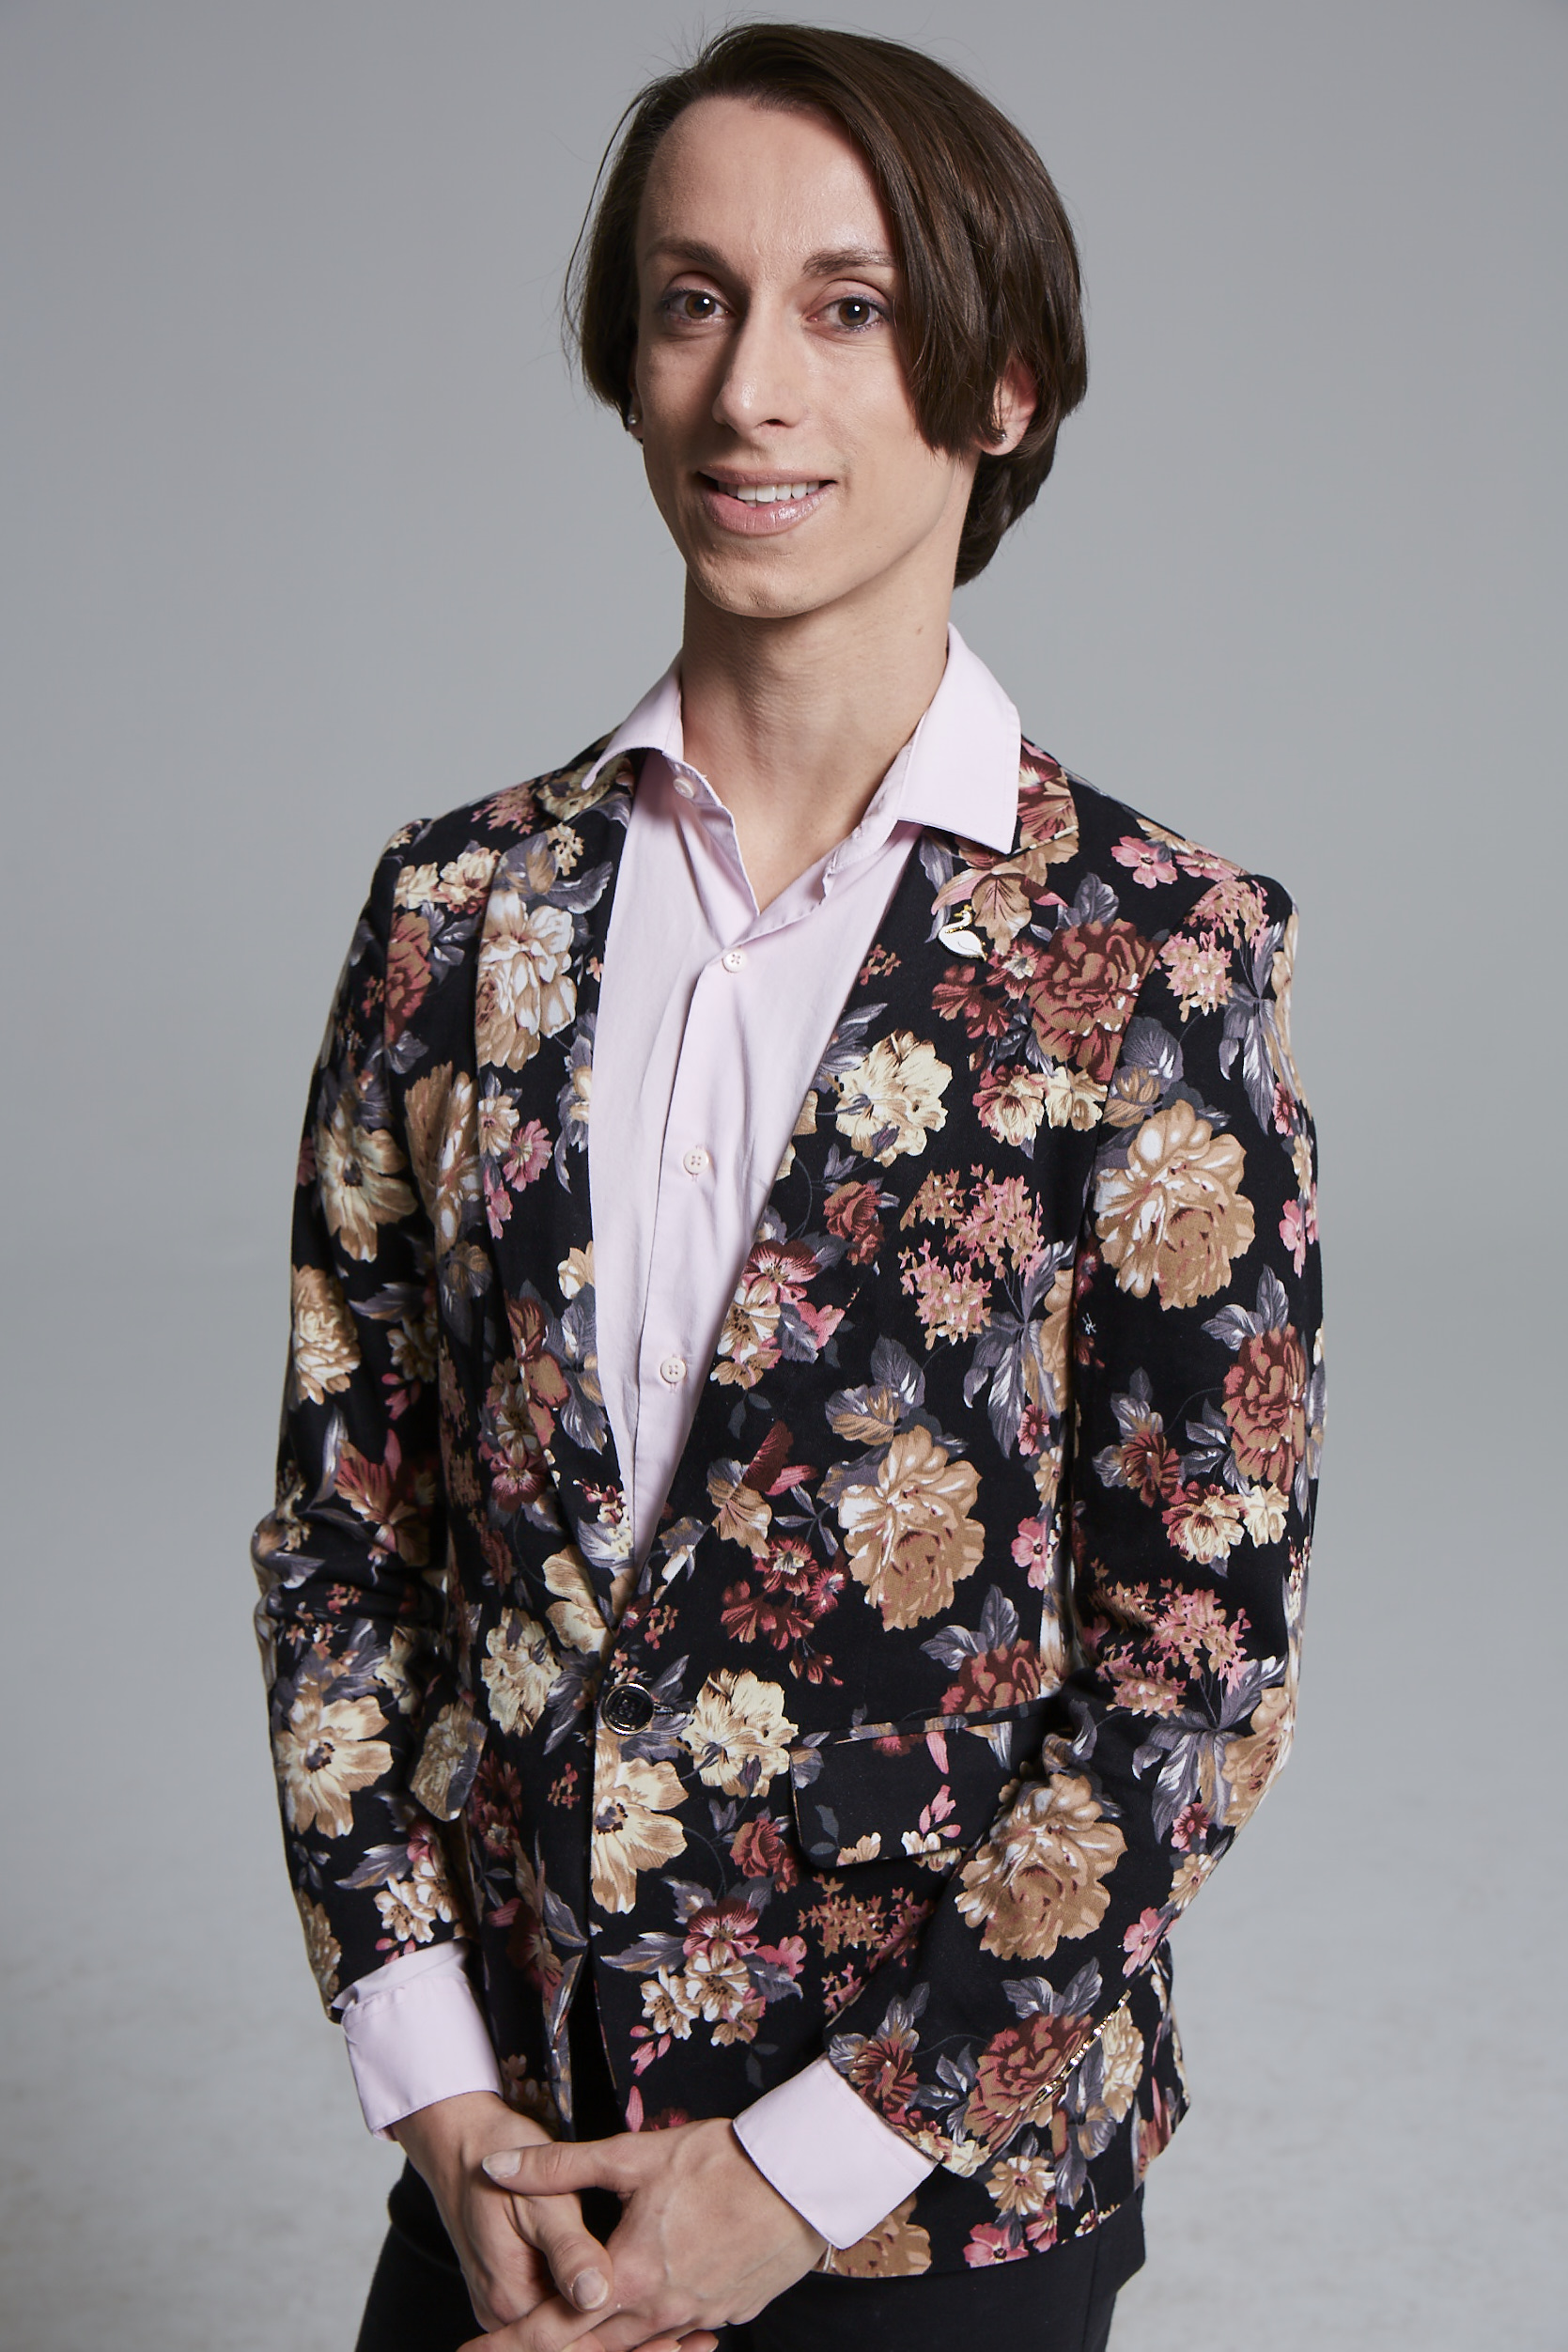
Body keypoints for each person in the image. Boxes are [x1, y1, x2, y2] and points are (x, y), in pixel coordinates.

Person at [253, 23, 1324, 2352]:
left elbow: (1192, 1667)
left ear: (1003, 382)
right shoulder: (456, 917)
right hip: (515, 2170)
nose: (751, 390)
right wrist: (439, 2095)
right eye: (691, 300)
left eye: (849, 308)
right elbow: (347, 1546)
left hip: (933, 2207)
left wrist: (799, 2169)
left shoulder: (1152, 958)